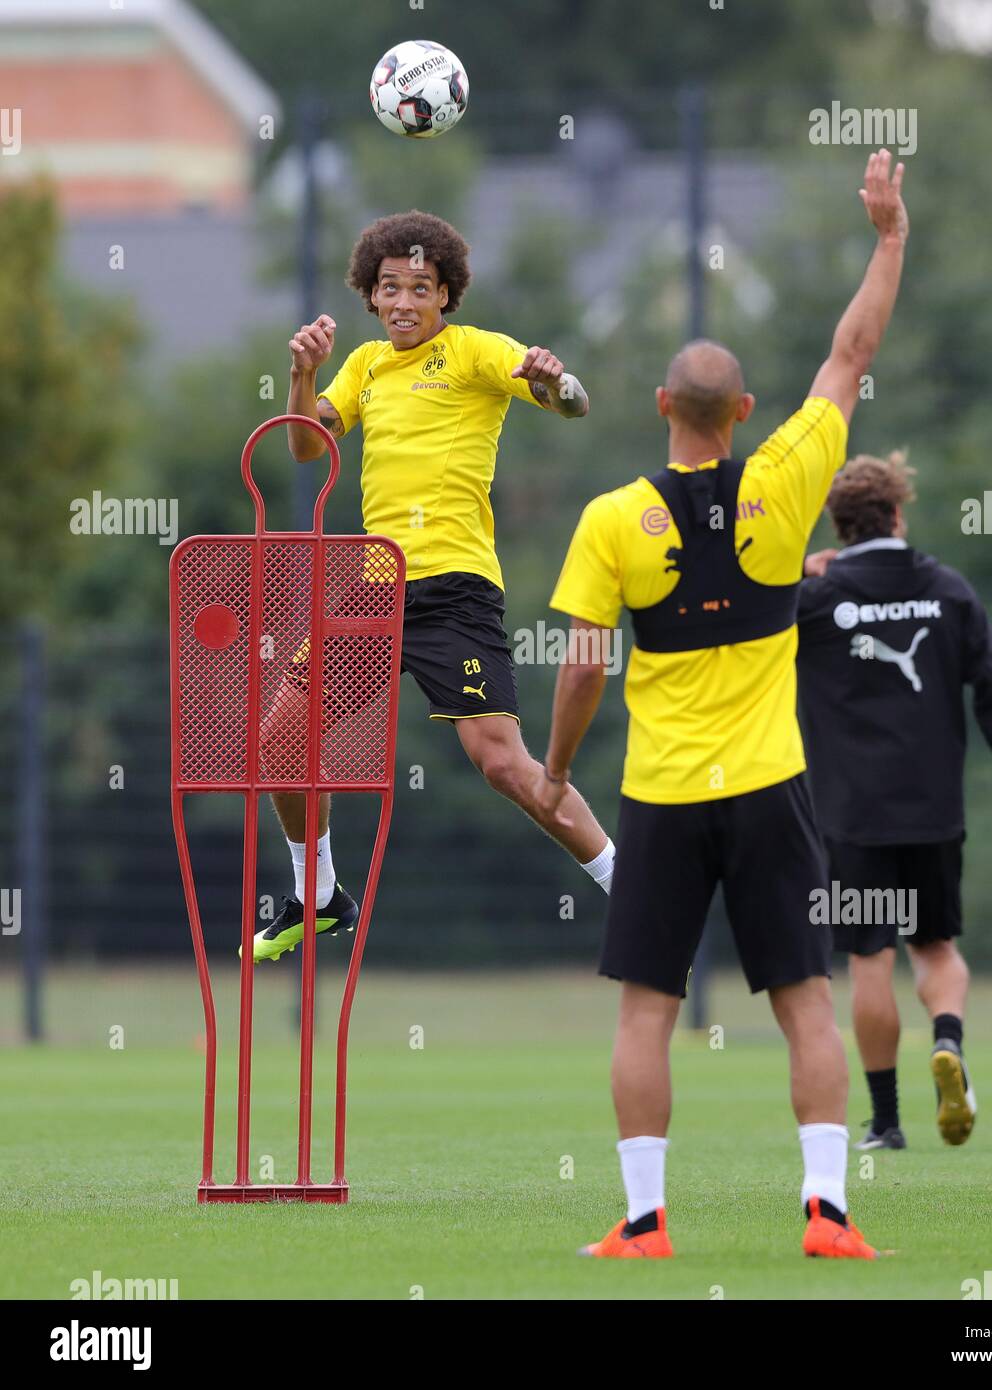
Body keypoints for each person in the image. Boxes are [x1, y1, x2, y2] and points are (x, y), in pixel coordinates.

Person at [535, 152, 908, 1259]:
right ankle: (827, 1215)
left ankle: (645, 1225)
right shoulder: (789, 472)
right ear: (741, 411)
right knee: (802, 1000)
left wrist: (555, 773)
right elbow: (849, 355)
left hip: (656, 794)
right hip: (768, 789)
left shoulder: (611, 519)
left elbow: (581, 663)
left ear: (662, 407)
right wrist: (886, 235)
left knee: (644, 1007)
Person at [249, 209, 614, 963]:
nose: (405, 301)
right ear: (371, 297)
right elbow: (299, 446)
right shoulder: (364, 368)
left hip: (454, 589)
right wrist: (301, 372)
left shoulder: (476, 352)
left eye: (422, 287)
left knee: (504, 765)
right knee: (279, 740)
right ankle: (316, 898)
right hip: (376, 589)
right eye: (391, 288)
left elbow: (572, 403)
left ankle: (633, 892)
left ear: (447, 295)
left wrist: (558, 381)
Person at [796, 451, 992, 1150]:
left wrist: (800, 573)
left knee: (869, 958)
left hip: (851, 816)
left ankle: (886, 1122)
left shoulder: (815, 600)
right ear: (900, 515)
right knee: (936, 949)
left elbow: (748, 619)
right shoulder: (948, 589)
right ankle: (949, 1041)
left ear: (839, 527)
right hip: (933, 810)